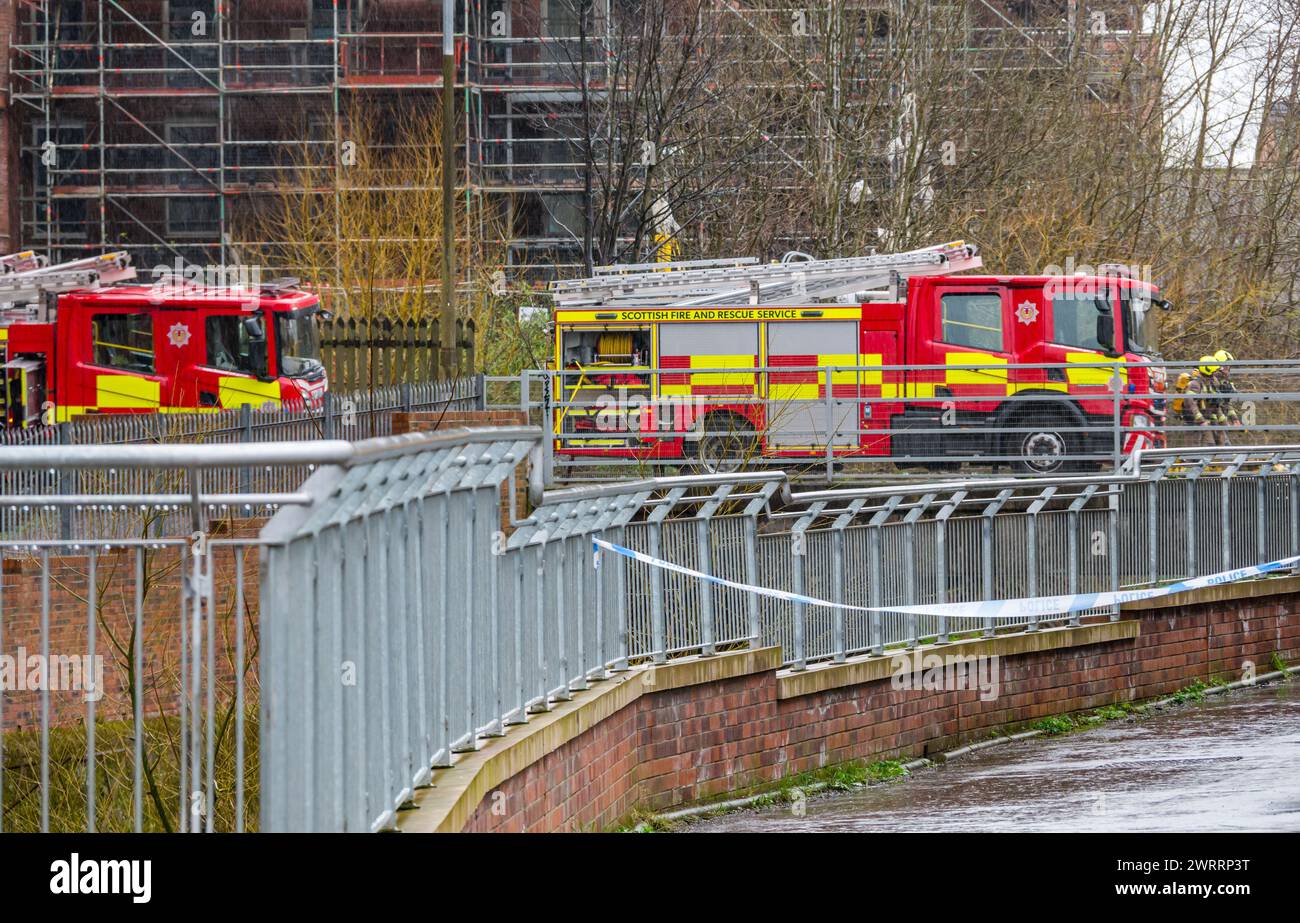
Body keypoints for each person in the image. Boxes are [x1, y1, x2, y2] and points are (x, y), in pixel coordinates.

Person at [1183, 355, 1236, 446]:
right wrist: (1201, 420)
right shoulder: (1195, 384)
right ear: (1208, 370)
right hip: (1197, 422)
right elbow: (1191, 404)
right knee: (1207, 445)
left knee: (1219, 442)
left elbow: (1216, 403)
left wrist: (1224, 421)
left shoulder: (1213, 382)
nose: (1216, 372)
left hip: (1209, 420)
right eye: (1214, 370)